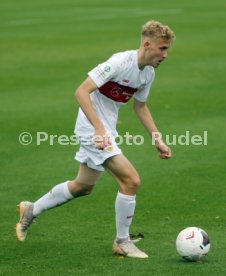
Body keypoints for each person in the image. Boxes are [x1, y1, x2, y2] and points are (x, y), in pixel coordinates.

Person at [16, 20, 176, 258]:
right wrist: (99, 129)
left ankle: (30, 210)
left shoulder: (148, 73)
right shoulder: (119, 62)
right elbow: (81, 91)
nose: (165, 54)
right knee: (131, 181)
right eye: (162, 48)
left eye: (167, 49)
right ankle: (122, 242)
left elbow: (140, 107)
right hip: (92, 128)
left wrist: (157, 139)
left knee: (83, 186)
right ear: (147, 44)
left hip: (105, 129)